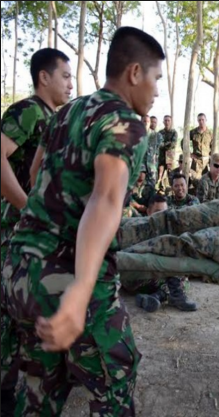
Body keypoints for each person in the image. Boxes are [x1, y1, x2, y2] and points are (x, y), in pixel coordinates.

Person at [1, 27, 164, 416]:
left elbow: (37, 173)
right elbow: (105, 197)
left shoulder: (66, 113)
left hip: (18, 272)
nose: (157, 91)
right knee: (116, 377)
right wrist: (80, 291)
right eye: (157, 79)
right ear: (135, 73)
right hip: (66, 279)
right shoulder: (126, 122)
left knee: (42, 388)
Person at [0, 47, 73, 415]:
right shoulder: (28, 111)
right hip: (14, 234)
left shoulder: (54, 118)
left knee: (18, 327)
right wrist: (26, 208)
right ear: (44, 77)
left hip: (32, 238)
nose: (70, 84)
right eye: (65, 76)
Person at [126, 194, 197, 313]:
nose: (162, 216)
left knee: (181, 276)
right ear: (148, 212)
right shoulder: (138, 229)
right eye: (158, 212)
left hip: (149, 277)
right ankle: (168, 296)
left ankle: (153, 298)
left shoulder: (164, 229)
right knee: (178, 276)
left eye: (165, 212)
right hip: (135, 277)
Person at [190, 113, 213, 181]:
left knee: (206, 180)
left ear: (206, 120)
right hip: (196, 160)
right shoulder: (193, 132)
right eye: (199, 120)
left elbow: (213, 146)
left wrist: (211, 157)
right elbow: (183, 142)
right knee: (195, 179)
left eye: (203, 120)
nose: (201, 121)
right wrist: (189, 153)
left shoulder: (210, 133)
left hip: (207, 160)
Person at [157, 114, 177, 185]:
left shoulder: (174, 132)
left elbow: (173, 144)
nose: (167, 122)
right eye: (165, 120)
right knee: (159, 177)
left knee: (171, 177)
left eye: (168, 120)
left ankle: (171, 192)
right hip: (161, 158)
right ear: (163, 122)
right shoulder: (160, 132)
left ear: (171, 122)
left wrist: (164, 144)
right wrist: (168, 143)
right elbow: (159, 144)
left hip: (170, 158)